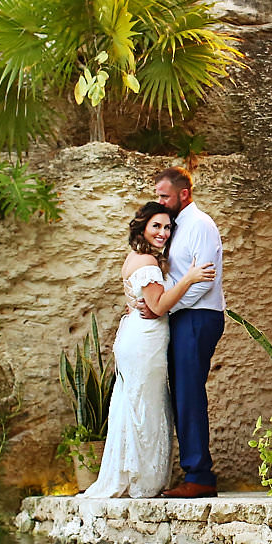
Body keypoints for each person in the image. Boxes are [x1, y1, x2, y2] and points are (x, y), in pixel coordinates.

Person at [84, 202, 216, 499]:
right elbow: (156, 307)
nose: (163, 232)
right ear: (142, 227)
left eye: (168, 227)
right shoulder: (146, 262)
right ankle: (141, 480)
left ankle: (136, 476)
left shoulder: (139, 257)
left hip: (141, 336)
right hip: (145, 340)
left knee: (140, 402)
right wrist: (189, 278)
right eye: (156, 226)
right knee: (146, 405)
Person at [134, 168, 226, 499]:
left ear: (183, 194)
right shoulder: (176, 227)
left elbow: (205, 280)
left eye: (164, 196)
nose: (159, 201)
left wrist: (162, 307)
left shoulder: (200, 225)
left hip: (198, 316)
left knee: (188, 394)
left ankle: (200, 476)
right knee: (181, 394)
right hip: (183, 316)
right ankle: (194, 471)